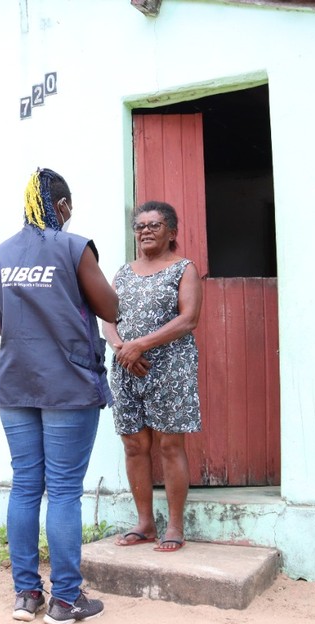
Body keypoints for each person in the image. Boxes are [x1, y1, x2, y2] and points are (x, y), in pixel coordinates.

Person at [0, 168, 117, 624]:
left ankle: (26, 595)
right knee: (62, 490)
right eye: (69, 205)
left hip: (15, 383)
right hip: (66, 385)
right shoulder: (72, 246)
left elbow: (3, 323)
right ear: (59, 205)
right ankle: (65, 600)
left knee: (25, 486)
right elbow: (111, 307)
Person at [102, 200, 203, 553]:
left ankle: (174, 525)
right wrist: (120, 348)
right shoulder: (123, 273)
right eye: (140, 226)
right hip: (127, 369)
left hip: (170, 368)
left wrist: (140, 344)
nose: (145, 230)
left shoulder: (183, 269)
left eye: (154, 225)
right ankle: (144, 523)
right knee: (133, 445)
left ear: (171, 232)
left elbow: (188, 319)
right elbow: (108, 316)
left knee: (170, 445)